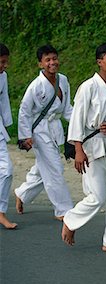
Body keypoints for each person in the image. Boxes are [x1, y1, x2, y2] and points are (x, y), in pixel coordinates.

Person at [61, 42, 106, 254]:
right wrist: (78, 150)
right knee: (98, 196)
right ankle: (71, 220)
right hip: (91, 145)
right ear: (100, 62)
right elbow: (77, 119)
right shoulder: (88, 86)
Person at [15, 45, 73, 221]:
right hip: (39, 130)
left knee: (45, 166)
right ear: (40, 63)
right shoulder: (36, 86)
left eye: (54, 58)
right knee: (54, 167)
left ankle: (22, 193)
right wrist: (25, 136)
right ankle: (63, 209)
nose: (52, 62)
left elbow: (67, 108)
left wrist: (80, 123)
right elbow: (24, 111)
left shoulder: (63, 80)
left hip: (55, 128)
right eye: (47, 60)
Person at [0, 43, 17, 229]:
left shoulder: (3, 76)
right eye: (2, 62)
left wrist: (7, 125)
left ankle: (1, 212)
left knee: (6, 170)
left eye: (6, 62)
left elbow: (3, 100)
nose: (5, 66)